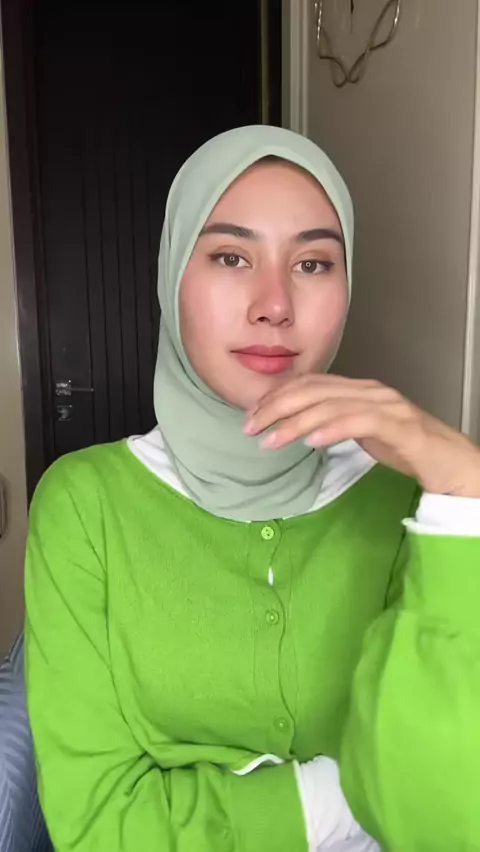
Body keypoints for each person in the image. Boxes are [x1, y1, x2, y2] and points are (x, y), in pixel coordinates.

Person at [25, 125, 480, 852]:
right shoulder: (84, 504)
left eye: (313, 263)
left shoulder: (411, 502)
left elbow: (450, 817)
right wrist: (356, 793)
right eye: (231, 256)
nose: (275, 304)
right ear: (172, 275)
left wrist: (464, 486)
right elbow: (98, 826)